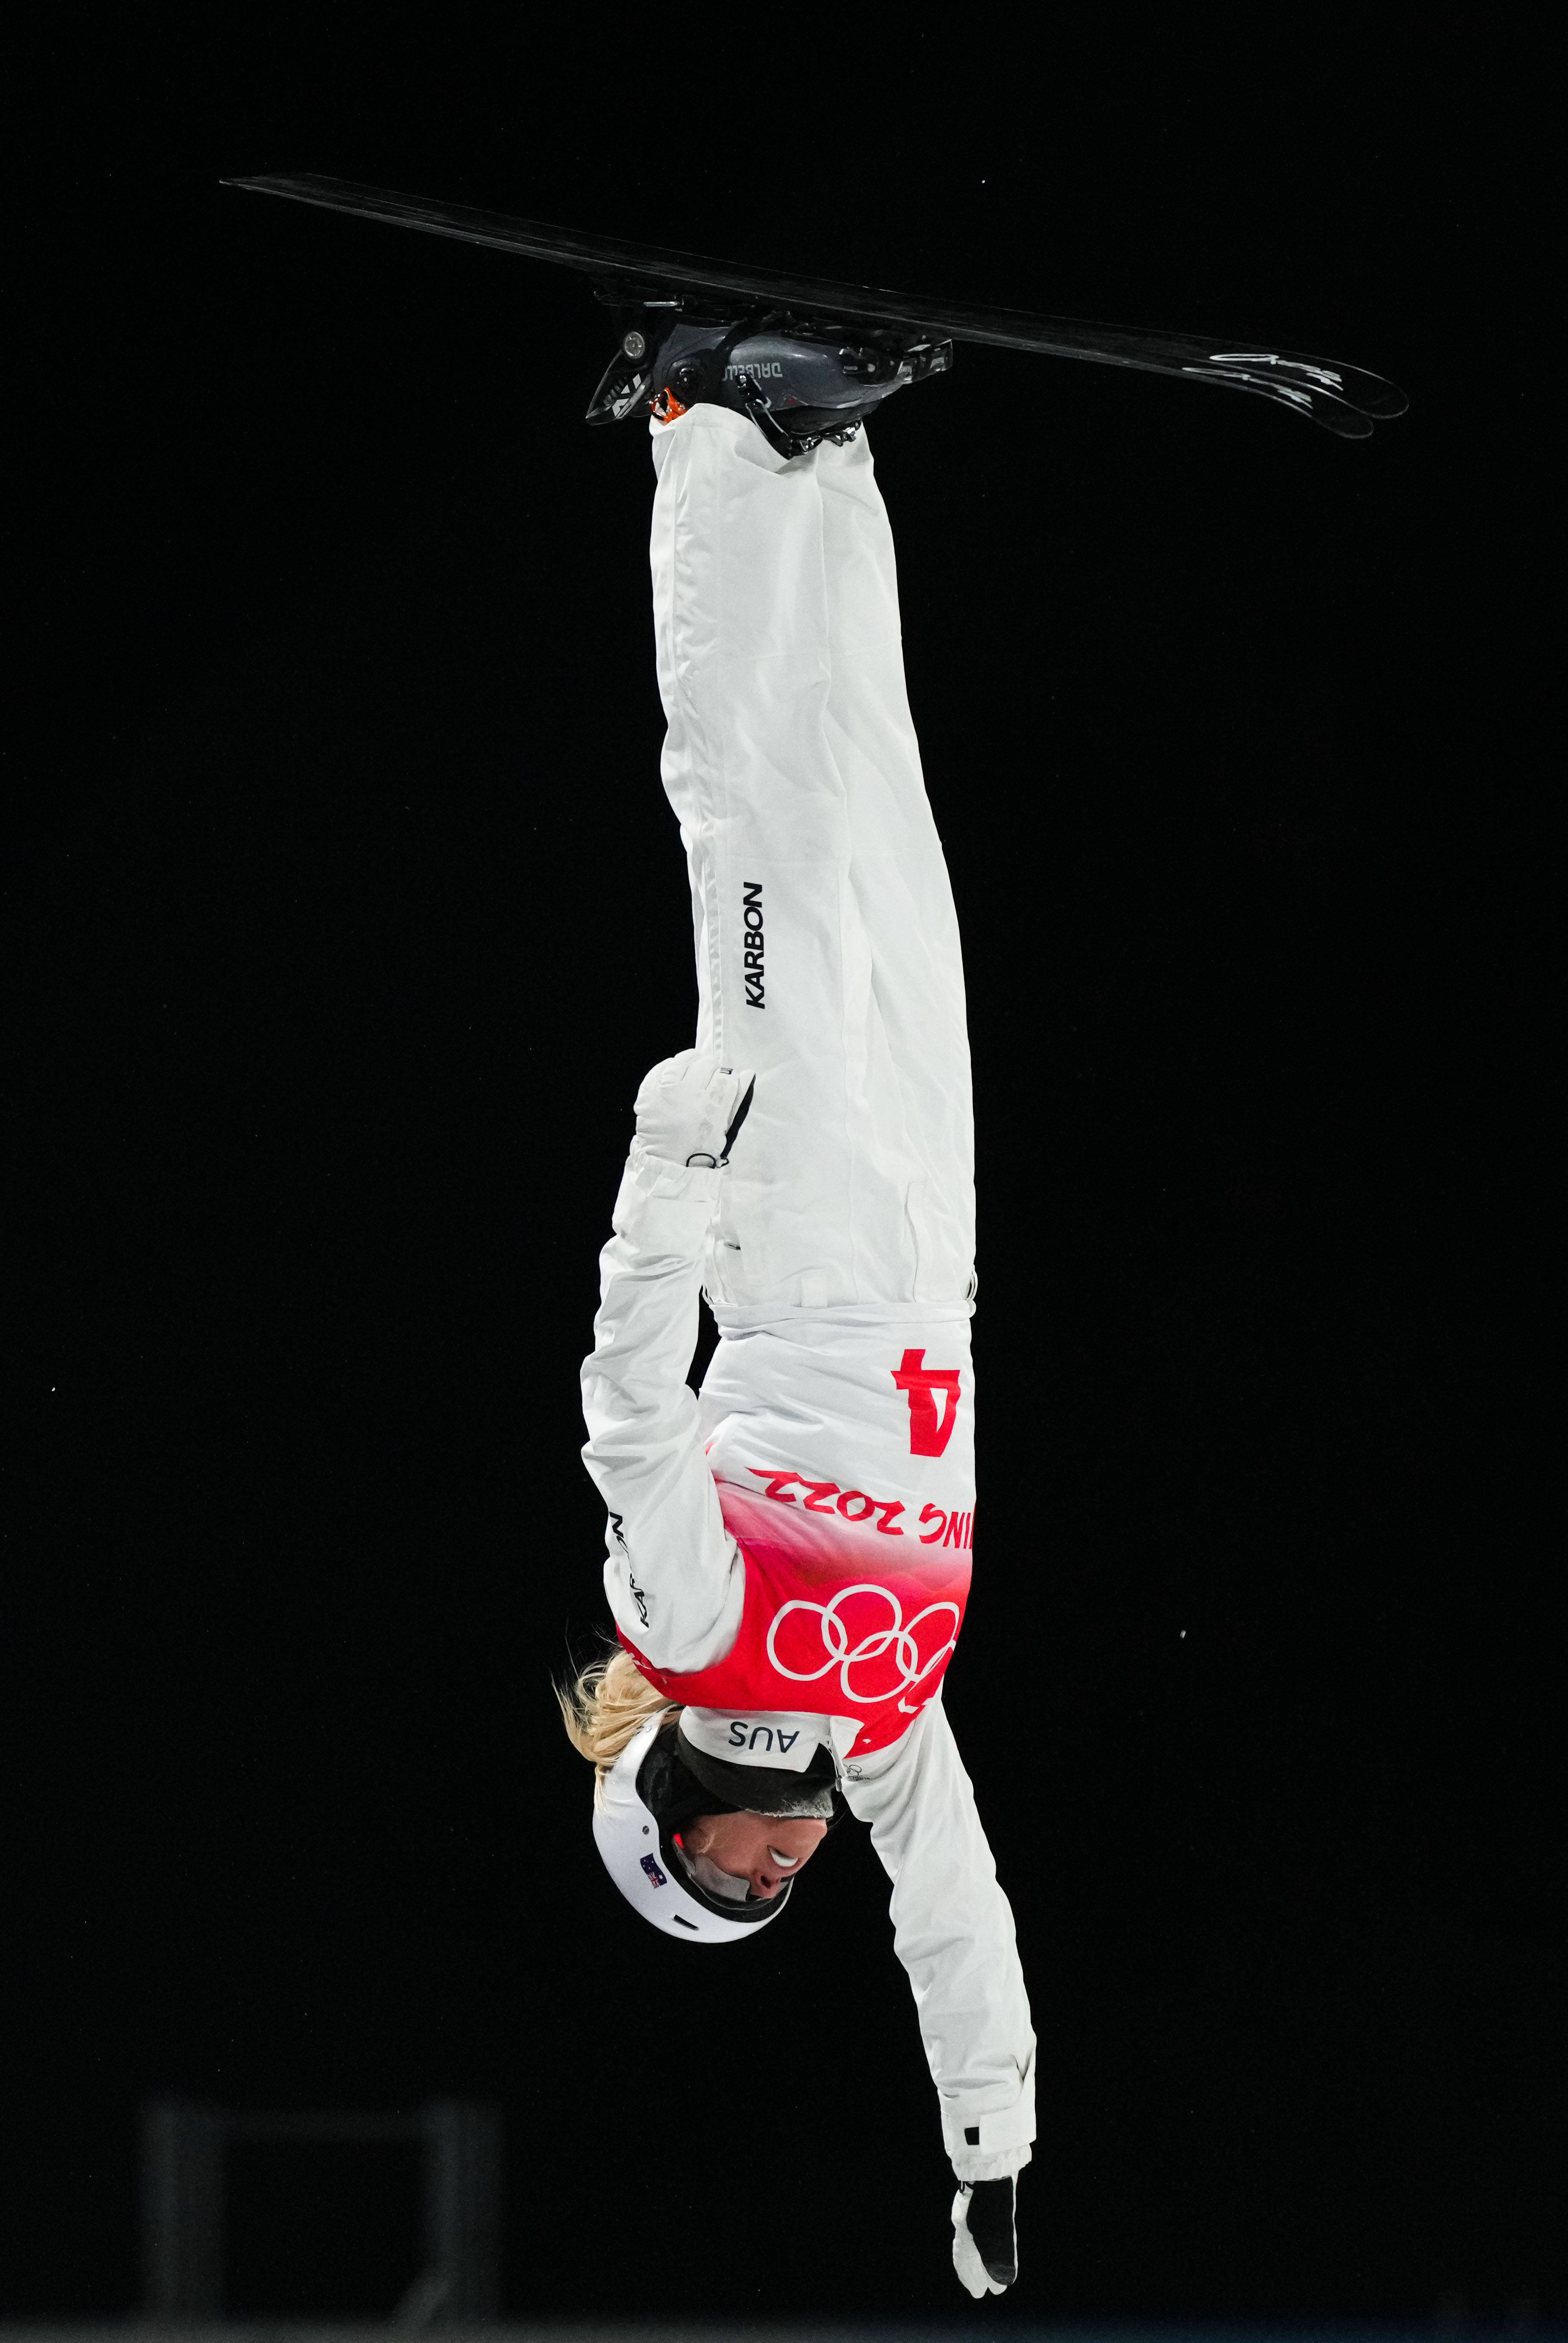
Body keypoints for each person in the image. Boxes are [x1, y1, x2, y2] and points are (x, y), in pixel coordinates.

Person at [556, 322, 1032, 2300]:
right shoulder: (888, 1720)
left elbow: (628, 1411)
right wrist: (990, 2149)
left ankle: (690, 421)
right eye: (783, 1894)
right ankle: (820, 462)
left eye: (741, 1877)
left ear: (670, 1817)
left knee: (754, 812)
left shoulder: (679, 1629)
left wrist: (665, 1176)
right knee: (886, 818)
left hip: (787, 1213)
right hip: (930, 1233)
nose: (794, 1862)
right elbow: (957, 1907)